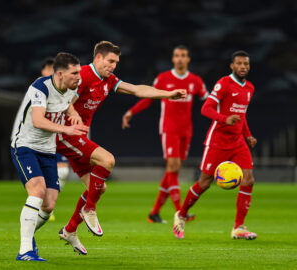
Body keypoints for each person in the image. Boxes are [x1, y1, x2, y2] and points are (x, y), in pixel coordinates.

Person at [57, 41, 187, 255]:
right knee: (107, 160)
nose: (114, 65)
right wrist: (73, 114)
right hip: (66, 134)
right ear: (97, 58)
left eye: (116, 62)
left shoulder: (108, 80)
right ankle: (89, 209)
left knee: (98, 188)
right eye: (110, 61)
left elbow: (136, 89)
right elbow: (62, 98)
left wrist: (167, 94)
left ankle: (70, 230)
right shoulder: (83, 76)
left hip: (78, 138)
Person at [11, 52, 88, 261]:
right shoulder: (40, 87)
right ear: (60, 74)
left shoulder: (71, 88)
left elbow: (68, 102)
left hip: (47, 150)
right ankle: (25, 250)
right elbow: (37, 120)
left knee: (49, 205)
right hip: (25, 146)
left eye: (79, 72)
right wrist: (67, 129)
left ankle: (27, 237)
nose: (79, 77)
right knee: (37, 190)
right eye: (75, 73)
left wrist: (74, 114)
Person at [173, 50, 257, 240]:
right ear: (232, 66)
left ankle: (239, 228)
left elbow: (241, 117)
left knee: (249, 179)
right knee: (204, 183)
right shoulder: (224, 83)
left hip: (238, 143)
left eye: (246, 64)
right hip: (217, 141)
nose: (243, 67)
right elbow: (206, 108)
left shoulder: (250, 87)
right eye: (239, 64)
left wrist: (248, 135)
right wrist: (224, 119)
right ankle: (181, 214)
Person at [122, 45, 208, 224]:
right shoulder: (163, 78)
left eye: (183, 55)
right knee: (174, 167)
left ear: (188, 59)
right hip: (169, 129)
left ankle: (154, 213)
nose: (180, 59)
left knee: (172, 170)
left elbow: (208, 100)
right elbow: (148, 98)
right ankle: (180, 212)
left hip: (186, 130)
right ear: (173, 59)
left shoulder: (195, 81)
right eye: (177, 55)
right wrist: (131, 111)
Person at [11, 57, 70, 191]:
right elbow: (31, 118)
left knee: (62, 173)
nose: (51, 71)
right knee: (38, 184)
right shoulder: (38, 88)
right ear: (43, 71)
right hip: (32, 141)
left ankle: (47, 206)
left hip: (54, 139)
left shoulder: (63, 90)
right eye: (48, 68)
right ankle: (41, 204)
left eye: (53, 69)